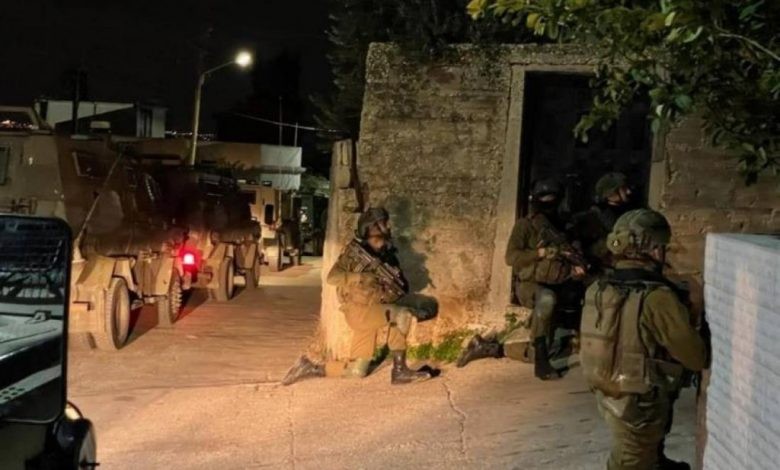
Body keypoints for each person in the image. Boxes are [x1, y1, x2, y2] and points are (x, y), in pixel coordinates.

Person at [580, 209, 707, 470]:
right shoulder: (657, 297)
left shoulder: (599, 287)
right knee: (630, 462)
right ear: (654, 250)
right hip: (641, 402)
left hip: (608, 392)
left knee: (639, 455)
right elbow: (696, 357)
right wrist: (694, 311)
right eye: (663, 247)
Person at [282, 207, 433, 386]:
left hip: (371, 311)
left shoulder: (385, 253)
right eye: (384, 223)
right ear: (374, 227)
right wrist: (360, 277)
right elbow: (332, 277)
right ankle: (399, 371)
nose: (388, 226)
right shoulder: (355, 254)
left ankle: (309, 367)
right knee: (402, 315)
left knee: (356, 372)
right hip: (359, 312)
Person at [461, 179, 587, 379]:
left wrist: (577, 269)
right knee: (547, 299)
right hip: (530, 286)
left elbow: (574, 253)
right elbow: (511, 257)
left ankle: (489, 348)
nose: (549, 203)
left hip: (560, 283)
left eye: (553, 199)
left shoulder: (564, 226)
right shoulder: (525, 225)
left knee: (559, 344)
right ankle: (541, 362)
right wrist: (540, 253)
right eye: (544, 199)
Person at [570, 172, 635, 273]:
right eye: (624, 189)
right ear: (611, 193)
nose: (629, 192)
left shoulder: (626, 210)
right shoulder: (596, 217)